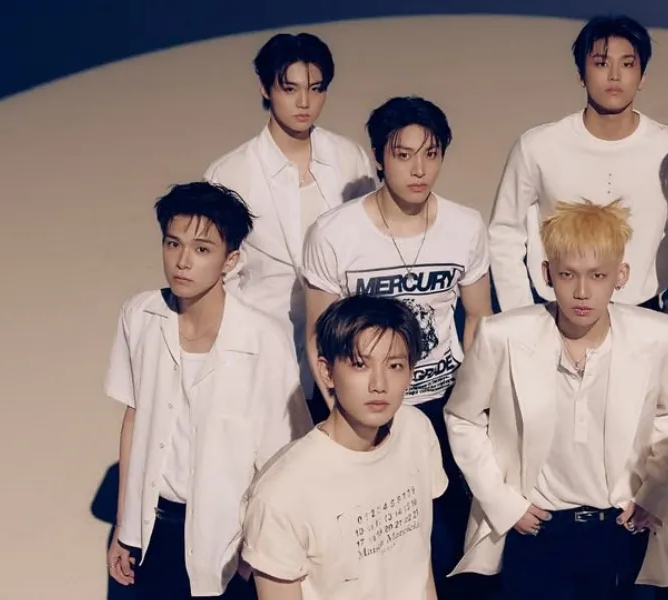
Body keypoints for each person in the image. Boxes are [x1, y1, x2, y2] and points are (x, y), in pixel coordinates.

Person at [445, 200, 668, 599]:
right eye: (567, 275)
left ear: (621, 276)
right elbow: (462, 418)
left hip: (620, 528)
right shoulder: (503, 336)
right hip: (535, 529)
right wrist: (505, 504)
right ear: (547, 274)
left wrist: (657, 493)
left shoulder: (659, 337)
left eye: (598, 275)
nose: (582, 291)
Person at [300, 95, 491, 596]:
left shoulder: (465, 226)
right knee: (367, 544)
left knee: (447, 545)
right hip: (363, 409)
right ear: (378, 157)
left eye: (431, 154)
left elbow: (479, 318)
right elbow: (318, 336)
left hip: (440, 406)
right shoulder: (335, 233)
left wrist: (473, 405)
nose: (419, 169)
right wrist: (340, 414)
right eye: (403, 155)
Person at [104, 182, 311, 599]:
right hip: (154, 530)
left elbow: (283, 457)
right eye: (173, 244)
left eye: (201, 249)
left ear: (230, 260)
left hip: (231, 544)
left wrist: (256, 555)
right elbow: (134, 420)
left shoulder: (263, 339)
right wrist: (125, 528)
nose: (183, 261)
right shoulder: (140, 316)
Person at [204, 32, 377, 405]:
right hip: (260, 352)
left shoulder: (350, 159)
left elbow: (369, 248)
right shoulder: (229, 174)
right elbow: (215, 274)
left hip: (344, 349)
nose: (304, 102)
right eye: (290, 88)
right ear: (265, 88)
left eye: (316, 89)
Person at [488, 14, 668, 315]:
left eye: (627, 64)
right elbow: (504, 233)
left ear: (642, 76)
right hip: (555, 310)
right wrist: (522, 313)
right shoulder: (538, 146)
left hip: (643, 312)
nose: (614, 76)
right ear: (581, 74)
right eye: (601, 63)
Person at [241, 295, 447, 600]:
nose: (379, 384)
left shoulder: (416, 430)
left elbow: (418, 561)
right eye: (360, 365)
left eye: (395, 366)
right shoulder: (281, 492)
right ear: (327, 372)